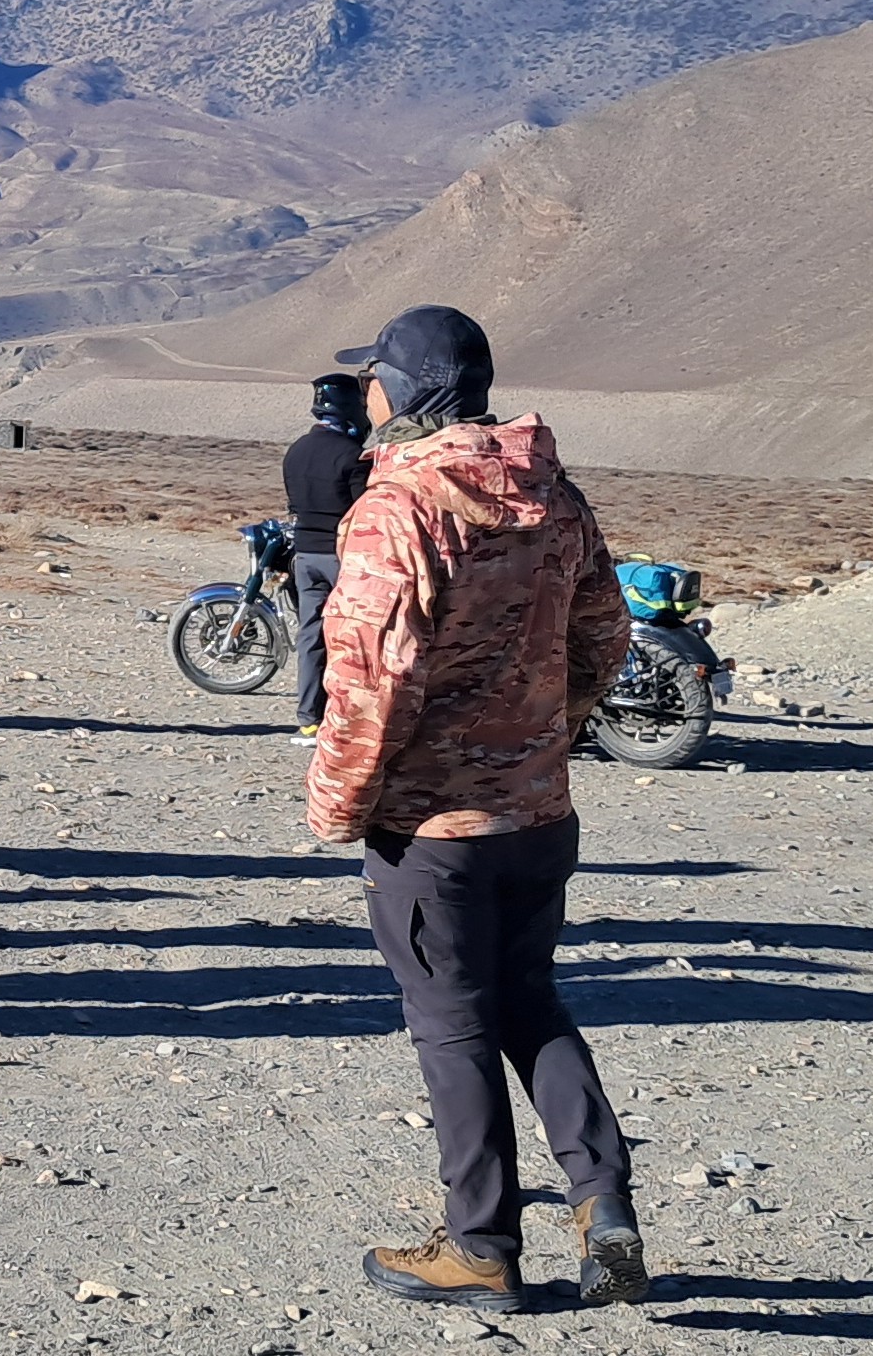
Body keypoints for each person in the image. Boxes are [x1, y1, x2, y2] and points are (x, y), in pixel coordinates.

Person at [309, 304, 648, 1315]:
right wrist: (548, 730)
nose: (365, 391)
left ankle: (481, 1246)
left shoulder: (398, 506)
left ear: (406, 387)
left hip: (436, 827)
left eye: (374, 374)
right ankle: (603, 1206)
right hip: (539, 813)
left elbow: (370, 677)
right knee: (530, 1001)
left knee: (451, 1025)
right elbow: (605, 631)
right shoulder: (554, 494)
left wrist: (337, 803)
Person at [284, 371, 374, 738]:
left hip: (304, 556)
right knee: (355, 636)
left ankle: (308, 717)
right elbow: (363, 508)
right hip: (342, 557)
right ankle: (352, 716)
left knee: (311, 635)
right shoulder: (352, 456)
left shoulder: (295, 451)